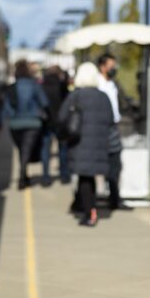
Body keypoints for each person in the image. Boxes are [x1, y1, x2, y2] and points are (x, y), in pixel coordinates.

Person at [58, 62, 115, 227]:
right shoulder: (103, 96)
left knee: (84, 178)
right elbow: (111, 120)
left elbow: (62, 117)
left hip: (80, 143)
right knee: (89, 177)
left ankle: (90, 213)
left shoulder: (76, 95)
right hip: (99, 144)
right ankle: (80, 205)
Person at [2, 59, 50, 190]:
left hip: (15, 124)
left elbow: (5, 109)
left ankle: (24, 176)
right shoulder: (34, 85)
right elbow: (45, 103)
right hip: (33, 123)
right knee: (26, 150)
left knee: (22, 151)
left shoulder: (12, 88)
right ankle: (22, 178)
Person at [96, 53, 128, 210]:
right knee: (101, 164)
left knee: (116, 163)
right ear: (102, 67)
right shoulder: (97, 83)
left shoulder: (113, 84)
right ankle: (98, 196)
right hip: (101, 128)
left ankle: (114, 198)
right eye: (111, 66)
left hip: (114, 127)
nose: (113, 69)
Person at [41, 65, 70, 185]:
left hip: (47, 122)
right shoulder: (62, 86)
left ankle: (46, 177)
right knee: (62, 150)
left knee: (45, 150)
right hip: (61, 122)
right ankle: (64, 176)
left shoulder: (42, 86)